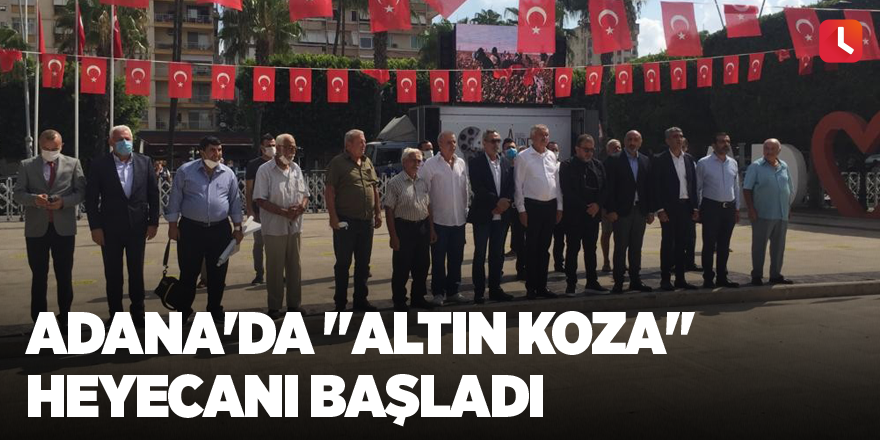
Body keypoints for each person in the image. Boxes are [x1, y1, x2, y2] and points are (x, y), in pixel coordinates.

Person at [85, 125, 160, 327]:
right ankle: (116, 314)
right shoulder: (99, 165)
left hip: (138, 227)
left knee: (136, 273)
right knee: (113, 274)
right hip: (109, 229)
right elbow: (91, 199)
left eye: (128, 139)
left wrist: (153, 222)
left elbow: (153, 194)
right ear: (111, 142)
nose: (125, 142)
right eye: (120, 139)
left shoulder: (145, 162)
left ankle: (138, 313)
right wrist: (95, 227)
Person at [166, 136, 244, 323]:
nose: (217, 154)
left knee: (218, 272)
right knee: (188, 272)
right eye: (212, 150)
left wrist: (238, 227)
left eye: (219, 150)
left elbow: (235, 202)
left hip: (220, 230)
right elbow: (175, 198)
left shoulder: (228, 174)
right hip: (191, 229)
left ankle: (215, 309)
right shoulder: (186, 171)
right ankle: (184, 310)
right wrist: (172, 225)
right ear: (202, 152)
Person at [13, 129, 86, 327]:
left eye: (54, 148)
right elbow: (17, 193)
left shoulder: (73, 163)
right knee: (39, 275)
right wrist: (34, 199)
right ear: (39, 146)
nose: (50, 152)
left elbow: (81, 192)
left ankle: (66, 316)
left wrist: (64, 202)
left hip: (64, 229)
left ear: (61, 146)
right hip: (36, 229)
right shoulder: (27, 165)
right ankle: (40, 320)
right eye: (46, 148)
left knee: (64, 275)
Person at [325, 129, 382, 312]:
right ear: (348, 144)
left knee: (363, 264)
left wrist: (378, 212)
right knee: (343, 264)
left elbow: (373, 188)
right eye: (360, 142)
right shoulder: (338, 163)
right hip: (346, 221)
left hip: (366, 221)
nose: (364, 145)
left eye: (364, 141)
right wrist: (333, 217)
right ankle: (340, 303)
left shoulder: (367, 161)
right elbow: (330, 191)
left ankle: (361, 300)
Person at [253, 134, 309, 319]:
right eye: (288, 147)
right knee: (275, 269)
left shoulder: (295, 168)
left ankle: (294, 305)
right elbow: (260, 199)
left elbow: (305, 194)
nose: (292, 152)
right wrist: (283, 212)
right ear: (277, 148)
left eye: (294, 148)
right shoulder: (264, 170)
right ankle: (274, 307)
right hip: (274, 227)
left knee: (295, 267)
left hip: (295, 226)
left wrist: (301, 207)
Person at [420, 131, 470, 306]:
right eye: (449, 142)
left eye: (454, 142)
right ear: (440, 144)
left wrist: (465, 211)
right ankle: (438, 293)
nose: (453, 145)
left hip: (459, 220)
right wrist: (430, 225)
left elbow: (465, 189)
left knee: (456, 259)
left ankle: (453, 291)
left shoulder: (461, 163)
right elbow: (424, 194)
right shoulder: (430, 165)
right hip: (439, 221)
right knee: (438, 260)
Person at [515, 124, 562, 299]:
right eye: (541, 135)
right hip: (532, 207)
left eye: (547, 135)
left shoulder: (551, 156)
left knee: (544, 248)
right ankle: (531, 287)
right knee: (532, 248)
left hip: (550, 206)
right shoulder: (523, 157)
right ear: (532, 137)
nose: (545, 138)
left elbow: (557, 184)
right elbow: (518, 185)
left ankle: (542, 286)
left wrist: (559, 207)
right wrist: (521, 209)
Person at [384, 148, 434, 311]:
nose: (417, 164)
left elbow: (428, 205)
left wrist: (431, 229)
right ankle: (399, 300)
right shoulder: (395, 183)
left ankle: (418, 297)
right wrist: (393, 236)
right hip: (403, 228)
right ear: (404, 162)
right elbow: (389, 210)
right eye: (414, 160)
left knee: (422, 265)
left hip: (422, 227)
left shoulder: (422, 181)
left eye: (419, 161)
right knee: (402, 267)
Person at [468, 129, 515, 304]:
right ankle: (479, 291)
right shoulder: (476, 162)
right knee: (480, 254)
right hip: (484, 214)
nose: (496, 144)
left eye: (498, 140)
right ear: (484, 143)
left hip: (502, 216)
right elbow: (477, 187)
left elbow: (511, 185)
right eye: (492, 141)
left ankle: (495, 289)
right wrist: (496, 202)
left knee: (497, 254)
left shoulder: (505, 162)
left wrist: (505, 203)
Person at [605, 130, 655, 294]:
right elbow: (609, 187)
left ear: (640, 142)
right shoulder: (614, 160)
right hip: (621, 212)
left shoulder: (645, 160)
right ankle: (618, 282)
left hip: (640, 210)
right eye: (629, 139)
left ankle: (635, 280)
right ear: (624, 141)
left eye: (636, 140)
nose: (632, 143)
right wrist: (611, 210)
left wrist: (650, 211)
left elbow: (649, 187)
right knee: (620, 248)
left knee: (636, 247)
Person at [652, 127, 699, 291]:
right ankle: (665, 279)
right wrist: (659, 209)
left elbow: (692, 185)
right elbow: (655, 186)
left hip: (685, 207)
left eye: (680, 136)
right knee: (668, 244)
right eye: (674, 137)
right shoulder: (660, 160)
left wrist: (695, 207)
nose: (678, 139)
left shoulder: (689, 159)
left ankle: (680, 279)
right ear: (667, 140)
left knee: (682, 244)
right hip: (669, 208)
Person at [560, 134, 607, 295]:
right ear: (577, 149)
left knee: (591, 250)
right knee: (573, 249)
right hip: (574, 216)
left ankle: (592, 282)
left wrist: (597, 205)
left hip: (593, 216)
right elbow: (567, 190)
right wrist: (585, 207)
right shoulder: (567, 166)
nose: (589, 153)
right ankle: (571, 284)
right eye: (586, 149)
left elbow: (605, 188)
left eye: (592, 149)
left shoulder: (598, 165)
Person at [744, 138, 794, 286]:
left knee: (779, 247)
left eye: (772, 149)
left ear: (779, 151)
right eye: (766, 148)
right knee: (759, 246)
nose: (769, 151)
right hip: (762, 214)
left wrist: (788, 207)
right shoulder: (756, 166)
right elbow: (747, 189)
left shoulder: (784, 166)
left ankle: (775, 275)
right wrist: (751, 209)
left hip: (781, 213)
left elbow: (788, 188)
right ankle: (757, 275)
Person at [696, 132, 741, 289]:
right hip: (711, 207)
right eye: (722, 141)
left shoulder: (733, 163)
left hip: (728, 208)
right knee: (709, 244)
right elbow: (698, 187)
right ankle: (708, 278)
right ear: (714, 145)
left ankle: (722, 277)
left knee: (724, 245)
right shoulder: (703, 163)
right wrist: (698, 208)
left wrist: (737, 208)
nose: (725, 144)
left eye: (727, 141)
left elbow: (736, 186)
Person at [244, 133, 276, 285]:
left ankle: (276, 273)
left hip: (276, 211)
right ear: (262, 148)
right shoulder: (254, 165)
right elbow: (249, 190)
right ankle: (259, 274)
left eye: (274, 145)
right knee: (259, 243)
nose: (272, 148)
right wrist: (249, 209)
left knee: (276, 244)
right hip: (258, 211)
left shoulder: (280, 163)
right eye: (269, 146)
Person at [600, 139, 622, 272]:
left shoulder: (625, 164)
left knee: (622, 237)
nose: (617, 150)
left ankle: (620, 262)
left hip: (622, 207)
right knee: (606, 233)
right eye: (614, 148)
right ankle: (606, 261)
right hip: (608, 207)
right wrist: (604, 208)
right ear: (608, 151)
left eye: (619, 147)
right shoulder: (604, 165)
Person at [681, 138, 701, 272]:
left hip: (689, 204)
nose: (681, 149)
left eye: (683, 146)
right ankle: (675, 262)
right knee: (675, 237)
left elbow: (695, 185)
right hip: (676, 204)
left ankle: (690, 262)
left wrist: (696, 206)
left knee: (690, 236)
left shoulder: (690, 161)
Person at [547, 141, 566, 272]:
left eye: (556, 150)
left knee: (559, 239)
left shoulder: (563, 166)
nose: (554, 152)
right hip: (547, 206)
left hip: (560, 207)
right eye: (552, 149)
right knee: (545, 239)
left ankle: (559, 263)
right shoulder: (544, 166)